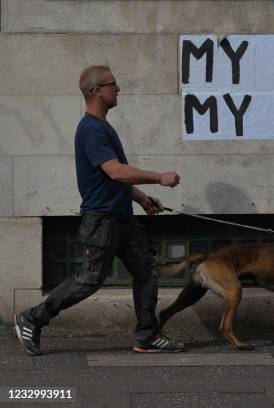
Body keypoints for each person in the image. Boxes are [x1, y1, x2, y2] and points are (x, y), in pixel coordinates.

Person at [14, 65, 185, 355]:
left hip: (122, 219)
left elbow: (112, 178)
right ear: (97, 92)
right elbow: (116, 171)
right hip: (102, 221)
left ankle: (147, 336)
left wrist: (141, 198)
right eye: (112, 84)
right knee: (89, 280)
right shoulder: (91, 130)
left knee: (146, 270)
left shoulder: (103, 127)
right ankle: (32, 318)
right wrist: (159, 178)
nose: (118, 89)